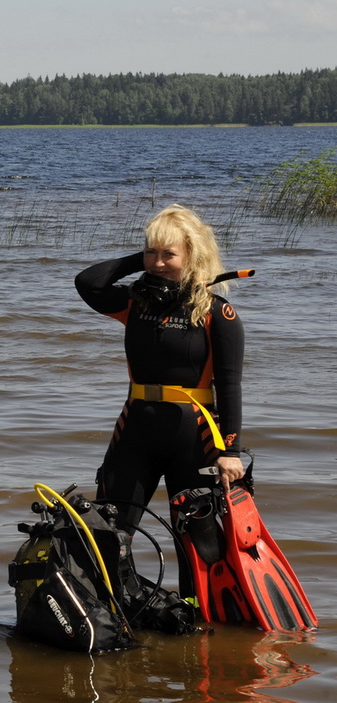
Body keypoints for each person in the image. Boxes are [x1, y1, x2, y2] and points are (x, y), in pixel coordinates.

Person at [74, 204, 246, 533]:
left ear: (193, 255)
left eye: (169, 254)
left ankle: (193, 589)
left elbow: (229, 386)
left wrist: (231, 451)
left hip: (194, 436)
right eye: (151, 253)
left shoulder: (216, 314)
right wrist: (141, 259)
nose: (158, 263)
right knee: (107, 531)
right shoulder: (134, 303)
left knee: (199, 544)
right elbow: (88, 282)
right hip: (135, 429)